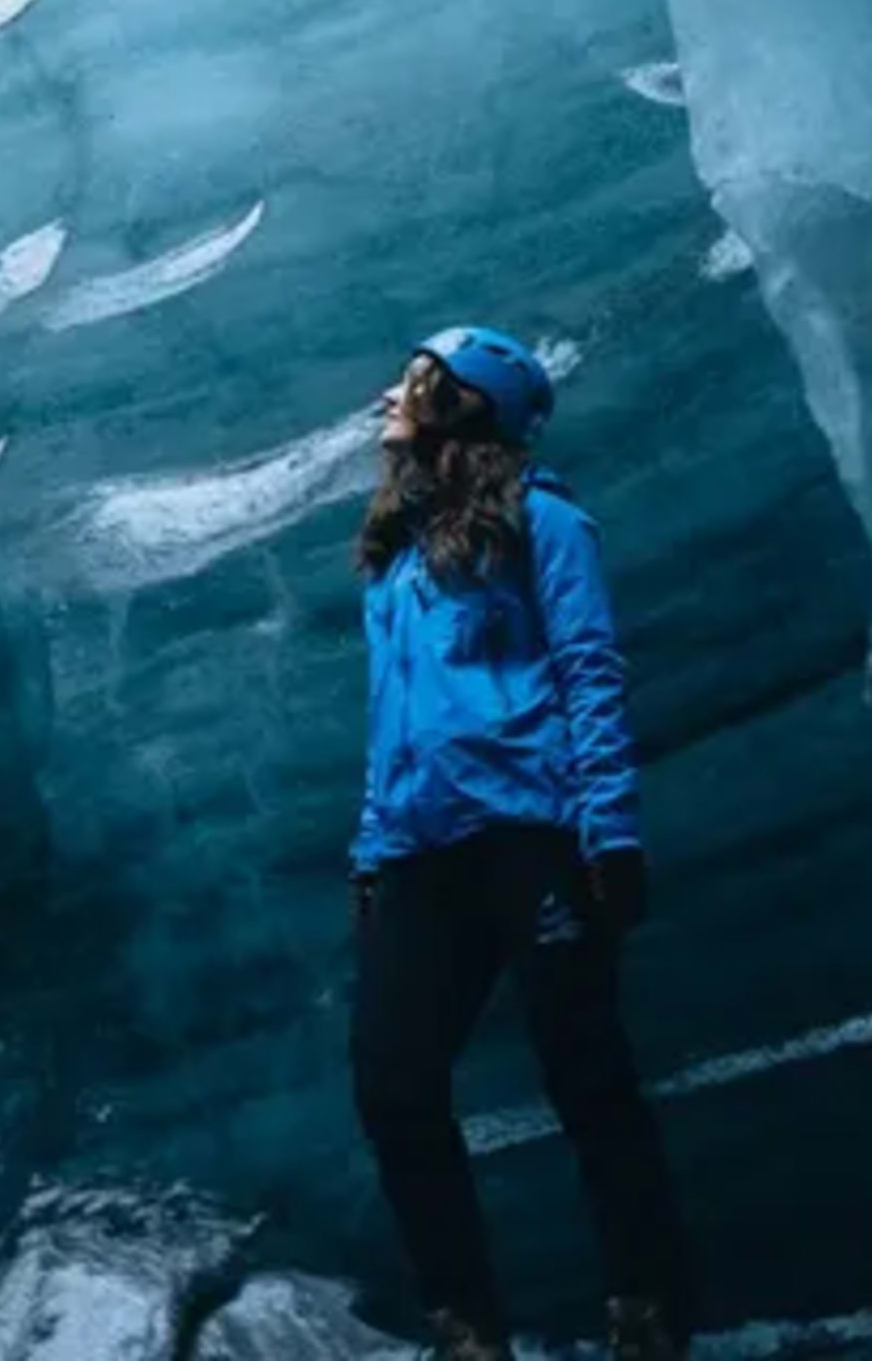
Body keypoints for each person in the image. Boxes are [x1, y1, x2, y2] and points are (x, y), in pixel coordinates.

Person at [348, 325, 693, 1361]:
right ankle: (468, 1327)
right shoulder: (395, 557)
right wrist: (372, 851)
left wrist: (612, 832)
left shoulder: (547, 521)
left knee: (587, 1075)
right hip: (416, 852)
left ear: (471, 406)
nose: (393, 396)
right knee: (392, 1086)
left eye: (419, 382)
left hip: (531, 839)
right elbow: (389, 714)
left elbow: (589, 669)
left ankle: (650, 1311)